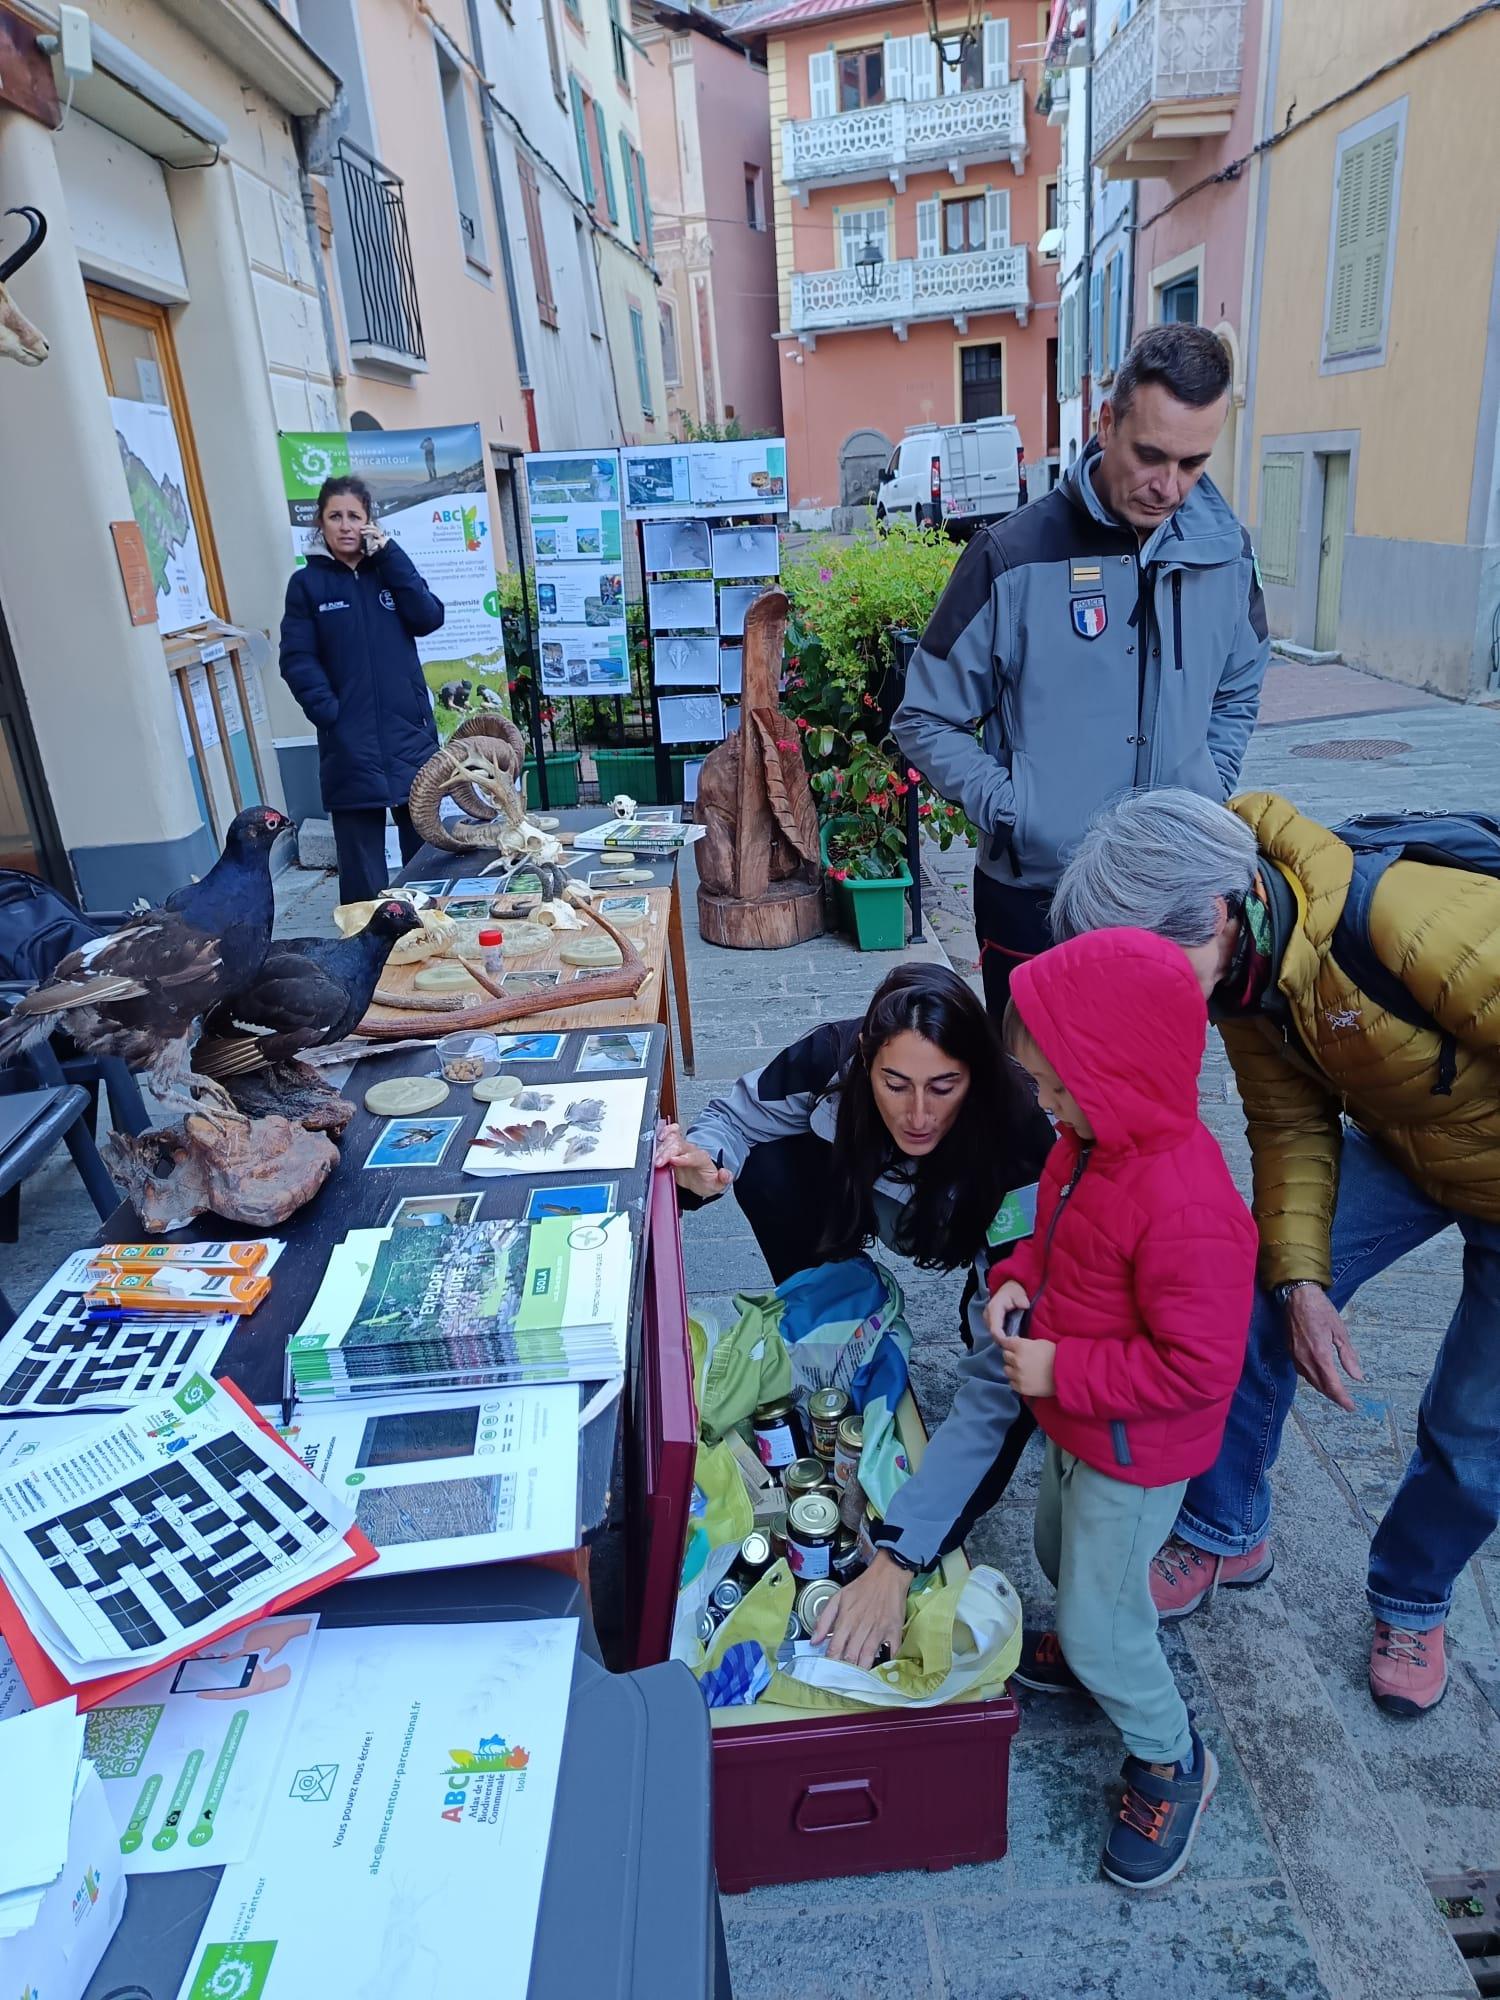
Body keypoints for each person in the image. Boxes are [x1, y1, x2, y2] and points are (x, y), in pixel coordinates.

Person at [1050, 786, 1500, 1717]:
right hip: (1416, 1141)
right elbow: (1290, 1121)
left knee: (1473, 1419)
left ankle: (1413, 1595)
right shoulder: (1246, 973)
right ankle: (1225, 1525)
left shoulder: (1412, 922)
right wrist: (1301, 1281)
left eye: (1145, 964)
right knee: (1246, 1292)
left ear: (1214, 914)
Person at [980, 928, 1255, 1888]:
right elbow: (1056, 1248)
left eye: (1057, 1087)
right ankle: (1101, 1643)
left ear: (1122, 1074)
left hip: (1134, 1447)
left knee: (1100, 1619)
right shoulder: (1086, 1146)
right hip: (1080, 1423)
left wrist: (1064, 1372)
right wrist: (1018, 1277)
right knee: (1062, 1556)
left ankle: (1172, 1756)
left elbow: (1199, 1368)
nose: (1046, 1107)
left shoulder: (1189, 1206)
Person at [892, 324, 1269, 1020]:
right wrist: (1018, 812)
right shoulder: (1011, 556)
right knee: (1038, 1112)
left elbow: (1239, 688)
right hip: (1037, 896)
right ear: (1106, 422)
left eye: (1193, 464)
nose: (1169, 487)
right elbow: (924, 715)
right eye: (1150, 455)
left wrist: (1208, 785)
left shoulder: (1227, 554)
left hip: (1173, 900)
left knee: (1149, 1112)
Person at [655, 959, 1050, 1318]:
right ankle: (828, 1309)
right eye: (895, 1084)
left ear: (975, 1073)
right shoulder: (829, 1057)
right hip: (865, 1196)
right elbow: (733, 1116)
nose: (917, 1115)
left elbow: (1032, 1262)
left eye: (942, 1088)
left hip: (962, 1224)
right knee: (766, 1166)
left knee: (1002, 1322)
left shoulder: (1016, 1121)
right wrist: (705, 1162)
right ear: (864, 1056)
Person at [279, 475, 445, 905]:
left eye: (355, 515)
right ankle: (367, 960)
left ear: (370, 521)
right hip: (349, 746)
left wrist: (391, 555)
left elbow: (428, 617)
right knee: (361, 875)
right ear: (320, 522)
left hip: (409, 737)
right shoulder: (306, 586)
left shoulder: (388, 572)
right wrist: (332, 716)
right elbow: (296, 660)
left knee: (427, 860)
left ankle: (437, 939)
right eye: (335, 516)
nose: (346, 525)